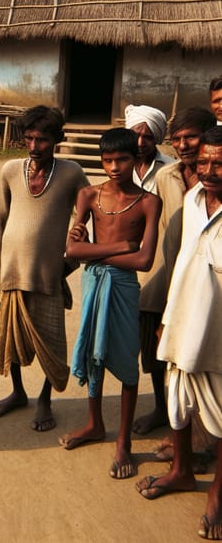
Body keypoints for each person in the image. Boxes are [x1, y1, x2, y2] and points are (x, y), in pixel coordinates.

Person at [59, 128, 161, 480]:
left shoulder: (148, 201)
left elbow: (144, 261)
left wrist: (94, 254)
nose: (114, 166)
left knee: (126, 360)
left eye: (121, 159)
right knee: (92, 352)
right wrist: (119, 248)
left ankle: (123, 442)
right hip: (93, 284)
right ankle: (94, 423)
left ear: (136, 158)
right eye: (107, 160)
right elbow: (73, 250)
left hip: (123, 288)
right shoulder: (88, 195)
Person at [136, 126, 222, 541]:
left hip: (218, 334)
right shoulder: (191, 199)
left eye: (218, 163)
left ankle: (218, 493)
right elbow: (184, 263)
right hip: (182, 320)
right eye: (203, 162)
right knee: (178, 403)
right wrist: (168, 318)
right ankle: (182, 470)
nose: (208, 170)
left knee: (221, 417)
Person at [0, 105, 89, 431]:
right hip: (12, 274)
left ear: (58, 139)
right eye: (29, 138)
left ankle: (45, 398)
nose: (34, 146)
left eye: (43, 139)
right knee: (12, 339)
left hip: (48, 276)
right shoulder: (10, 170)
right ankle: (18, 392)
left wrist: (69, 264)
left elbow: (87, 220)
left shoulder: (72, 173)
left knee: (52, 343)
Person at [134, 107, 216, 436]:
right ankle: (161, 409)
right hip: (162, 277)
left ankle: (200, 428)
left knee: (199, 356)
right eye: (177, 139)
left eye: (190, 136)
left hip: (205, 281)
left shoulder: (214, 179)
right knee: (156, 354)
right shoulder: (166, 176)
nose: (182, 145)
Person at [124, 104, 175, 193]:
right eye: (136, 136)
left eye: (148, 137)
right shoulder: (120, 165)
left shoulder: (172, 168)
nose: (140, 143)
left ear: (156, 138)